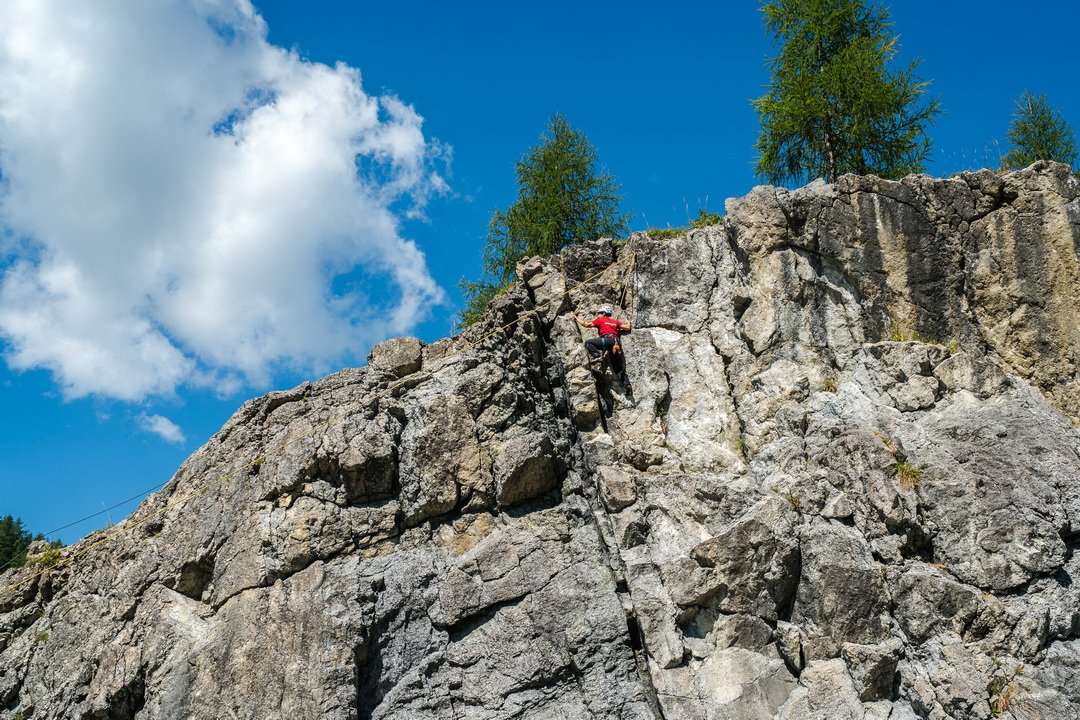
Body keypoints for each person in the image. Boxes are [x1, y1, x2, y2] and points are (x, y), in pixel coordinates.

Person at [574, 305, 632, 385]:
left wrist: (576, 318)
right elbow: (627, 327)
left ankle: (598, 357)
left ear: (604, 314)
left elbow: (586, 324)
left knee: (588, 343)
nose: (598, 315)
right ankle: (626, 384)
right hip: (616, 343)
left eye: (599, 313)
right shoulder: (615, 322)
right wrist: (628, 322)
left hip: (607, 341)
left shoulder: (600, 320)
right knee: (617, 368)